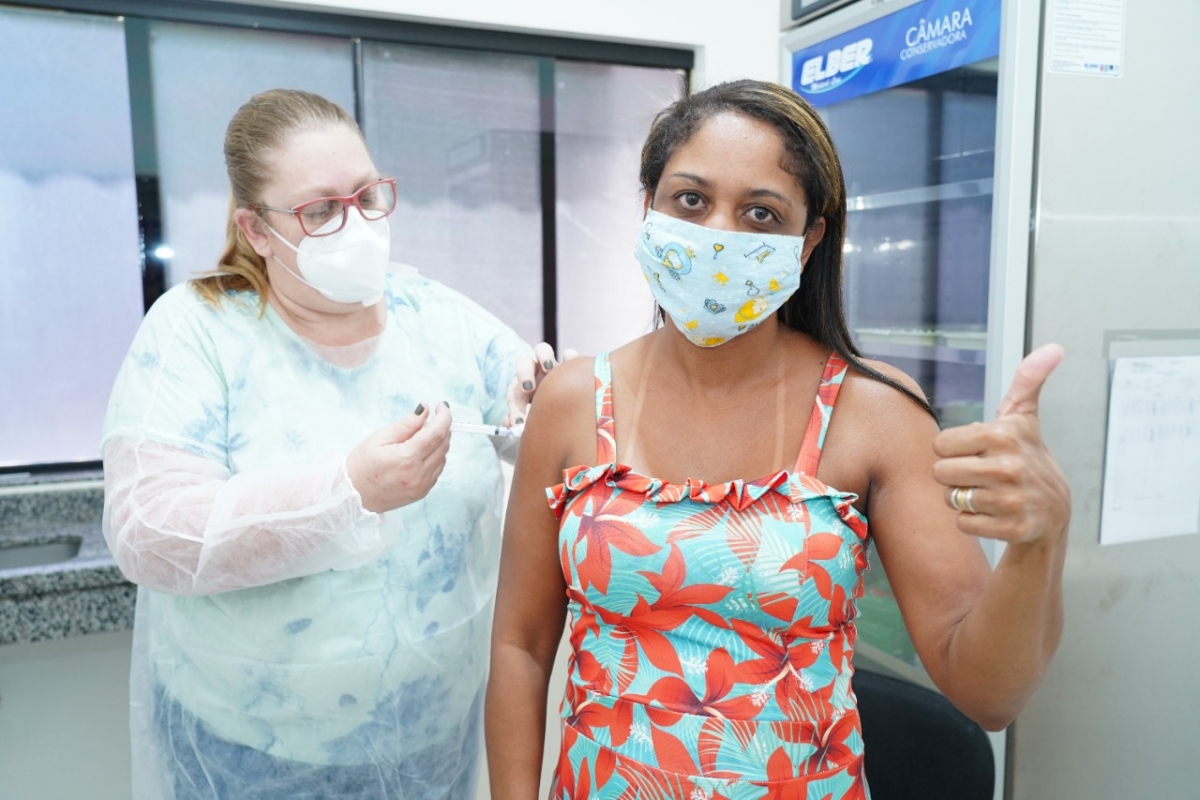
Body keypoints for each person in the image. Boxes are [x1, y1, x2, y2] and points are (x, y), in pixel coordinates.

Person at [486, 79, 1071, 799]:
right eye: (691, 200)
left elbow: (989, 693)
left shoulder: (873, 412)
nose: (720, 235)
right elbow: (520, 645)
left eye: (761, 213)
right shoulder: (573, 400)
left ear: (809, 240)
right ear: (649, 206)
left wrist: (1040, 541)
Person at [101, 88, 563, 799]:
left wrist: (539, 404)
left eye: (367, 196)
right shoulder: (196, 331)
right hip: (251, 752)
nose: (357, 225)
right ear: (257, 230)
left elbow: (532, 419)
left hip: (435, 734)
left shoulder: (437, 317)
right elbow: (149, 533)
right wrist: (347, 494)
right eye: (320, 211)